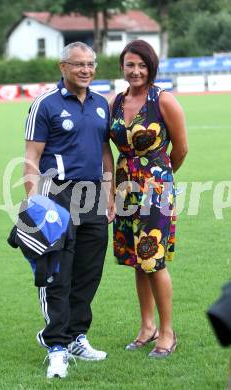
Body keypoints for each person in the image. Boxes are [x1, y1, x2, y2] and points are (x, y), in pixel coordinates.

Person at [23, 41, 115, 378]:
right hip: (56, 196)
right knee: (56, 272)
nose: (87, 70)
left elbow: (106, 152)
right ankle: (57, 346)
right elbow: (31, 158)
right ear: (63, 67)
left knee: (88, 272)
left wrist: (110, 191)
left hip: (92, 196)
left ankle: (77, 336)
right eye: (79, 65)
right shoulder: (44, 104)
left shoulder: (101, 104)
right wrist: (34, 201)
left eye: (91, 64)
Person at [110, 40, 188, 358]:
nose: (136, 70)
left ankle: (167, 333)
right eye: (130, 64)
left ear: (151, 67)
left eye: (142, 65)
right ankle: (147, 326)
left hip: (156, 187)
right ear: (123, 67)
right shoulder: (116, 101)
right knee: (136, 261)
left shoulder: (163, 100)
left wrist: (161, 177)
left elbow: (180, 150)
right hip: (125, 188)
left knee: (152, 259)